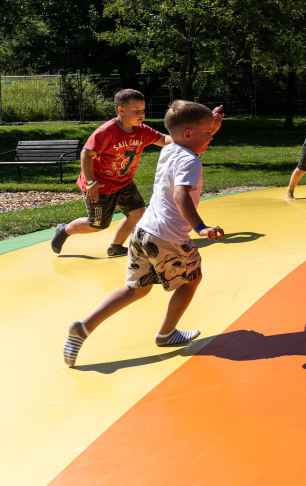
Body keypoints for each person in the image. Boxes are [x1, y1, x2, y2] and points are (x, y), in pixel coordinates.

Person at [62, 100, 225, 367]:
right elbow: (181, 195)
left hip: (143, 232)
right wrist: (200, 227)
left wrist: (210, 126)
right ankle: (167, 333)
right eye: (208, 133)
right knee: (191, 280)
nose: (211, 137)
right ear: (188, 134)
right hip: (168, 236)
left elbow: (185, 139)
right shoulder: (190, 161)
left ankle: (84, 326)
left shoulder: (170, 149)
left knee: (135, 290)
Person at [51, 89, 164, 257]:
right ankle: (64, 230)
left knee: (137, 212)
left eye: (143, 110)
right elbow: (86, 154)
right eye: (136, 111)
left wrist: (190, 138)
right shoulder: (107, 131)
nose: (141, 114)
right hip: (99, 185)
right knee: (97, 225)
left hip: (123, 182)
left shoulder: (142, 130)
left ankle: (116, 247)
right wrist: (91, 182)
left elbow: (164, 140)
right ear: (121, 110)